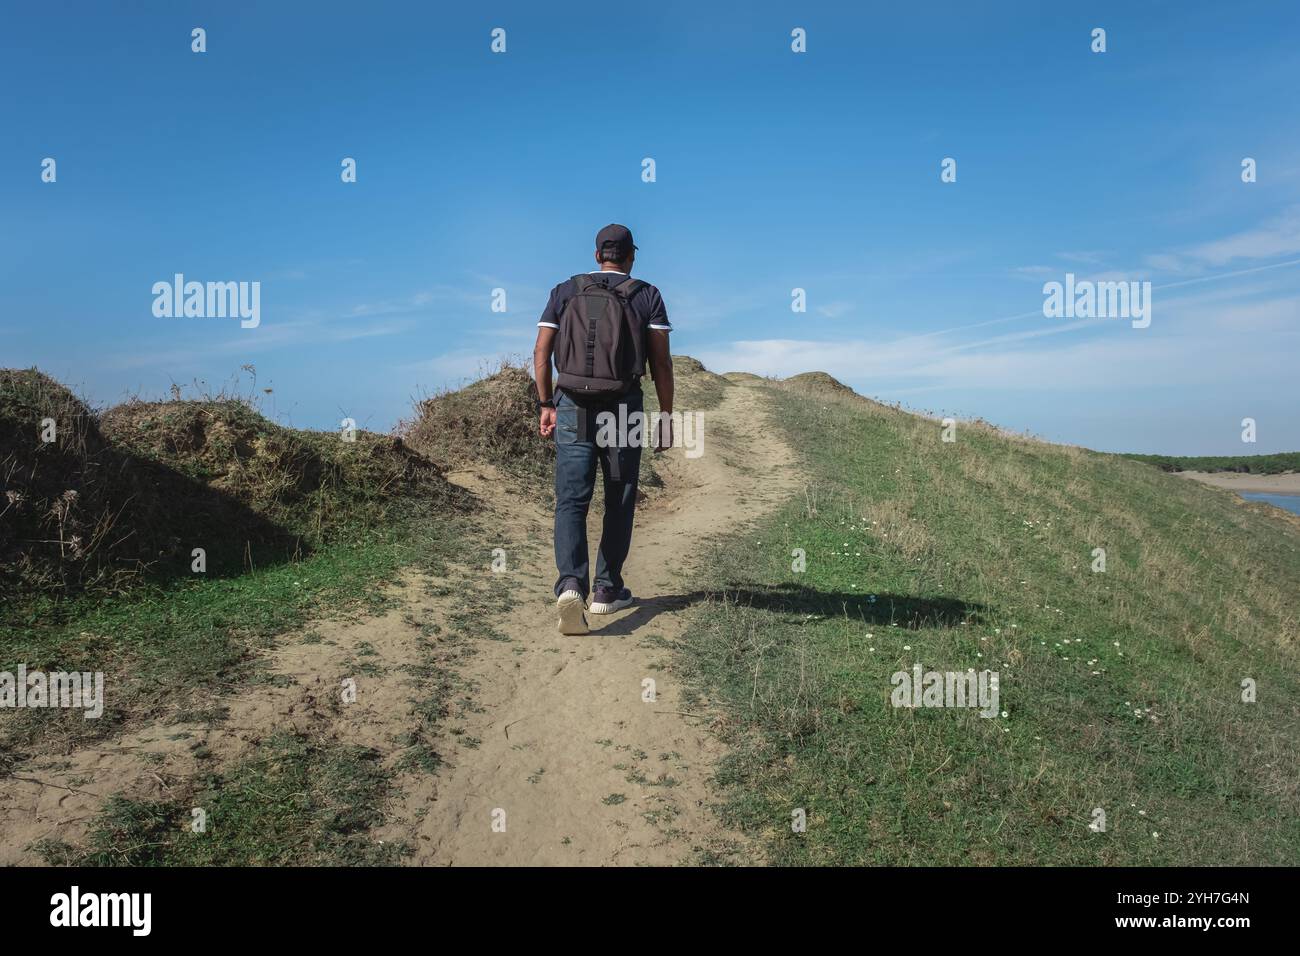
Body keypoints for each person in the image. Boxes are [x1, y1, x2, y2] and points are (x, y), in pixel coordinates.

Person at [532, 224, 674, 634]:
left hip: (572, 405)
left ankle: (570, 584)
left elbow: (542, 351)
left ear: (597, 255)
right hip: (624, 407)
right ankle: (607, 590)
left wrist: (546, 404)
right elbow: (661, 364)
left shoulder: (565, 291)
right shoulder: (647, 295)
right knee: (620, 497)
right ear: (632, 256)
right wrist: (665, 417)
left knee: (572, 499)